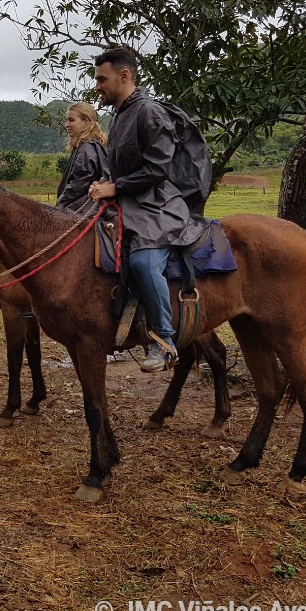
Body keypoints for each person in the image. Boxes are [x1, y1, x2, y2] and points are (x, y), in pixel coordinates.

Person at [87, 47, 207, 372]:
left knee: (143, 261)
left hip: (157, 206)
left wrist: (116, 187)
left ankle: (164, 341)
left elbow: (158, 168)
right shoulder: (120, 116)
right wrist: (104, 185)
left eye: (102, 79)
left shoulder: (149, 112)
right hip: (129, 203)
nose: (97, 86)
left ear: (124, 76)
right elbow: (122, 169)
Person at [56, 101, 110, 211]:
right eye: (66, 120)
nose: (66, 124)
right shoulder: (90, 146)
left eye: (71, 120)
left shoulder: (87, 149)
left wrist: (57, 210)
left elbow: (76, 188)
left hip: (80, 211)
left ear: (86, 122)